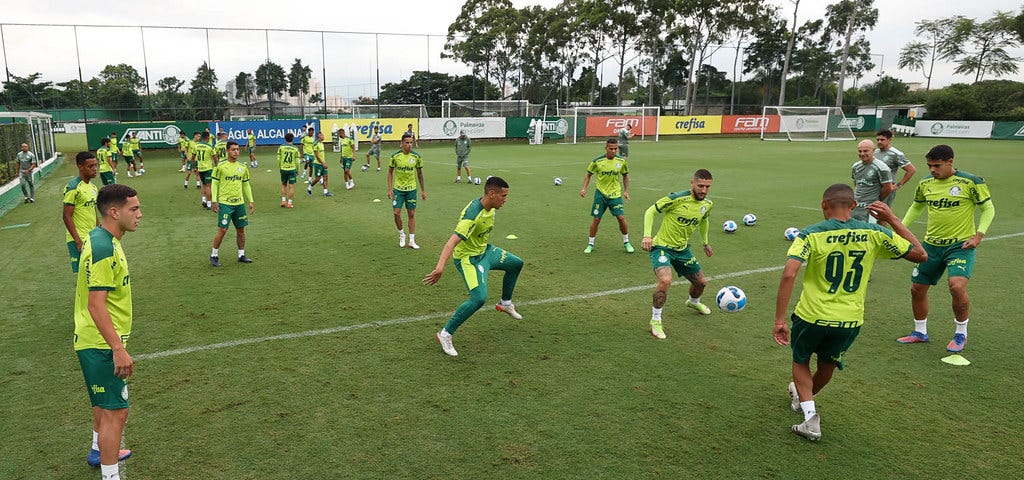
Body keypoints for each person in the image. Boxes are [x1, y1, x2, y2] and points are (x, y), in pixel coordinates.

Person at [773, 184, 926, 441]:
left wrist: (779, 320)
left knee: (800, 360)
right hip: (850, 319)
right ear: (854, 206)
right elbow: (921, 254)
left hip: (811, 315)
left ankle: (810, 417)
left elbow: (789, 273)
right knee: (827, 365)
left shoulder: (810, 234)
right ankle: (803, 399)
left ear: (824, 205)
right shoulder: (874, 232)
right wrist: (893, 219)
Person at [895, 144, 995, 353]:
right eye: (929, 165)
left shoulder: (971, 181)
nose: (932, 170)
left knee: (957, 286)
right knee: (917, 289)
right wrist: (901, 229)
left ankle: (961, 334)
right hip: (930, 245)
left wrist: (979, 235)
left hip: (960, 246)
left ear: (950, 162)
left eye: (937, 165)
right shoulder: (925, 184)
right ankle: (920, 332)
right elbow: (917, 206)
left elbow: (987, 208)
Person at [73, 183, 142, 477]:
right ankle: (110, 474)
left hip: (93, 339)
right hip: (100, 343)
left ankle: (97, 450)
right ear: (114, 212)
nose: (140, 214)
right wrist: (118, 348)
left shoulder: (103, 238)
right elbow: (96, 305)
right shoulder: (103, 247)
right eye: (134, 209)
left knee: (103, 403)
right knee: (117, 410)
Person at [423, 176, 524, 357]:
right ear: (491, 194)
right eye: (503, 196)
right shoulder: (472, 216)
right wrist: (439, 267)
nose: (505, 200)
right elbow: (451, 243)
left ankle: (505, 303)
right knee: (479, 298)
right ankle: (445, 334)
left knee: (516, 263)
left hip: (485, 252)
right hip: (468, 259)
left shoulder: (491, 207)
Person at [641, 169, 716, 339]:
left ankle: (693, 302)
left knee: (701, 283)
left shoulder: (707, 205)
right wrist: (647, 235)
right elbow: (650, 211)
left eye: (707, 187)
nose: (703, 190)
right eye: (700, 186)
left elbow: (704, 220)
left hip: (683, 250)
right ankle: (655, 320)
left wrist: (705, 243)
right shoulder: (676, 199)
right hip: (662, 248)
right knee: (665, 280)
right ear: (692, 183)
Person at [580, 138, 633, 254]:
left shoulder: (621, 162)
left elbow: (625, 176)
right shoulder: (597, 162)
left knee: (621, 218)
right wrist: (584, 188)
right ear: (606, 148)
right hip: (601, 194)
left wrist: (626, 191)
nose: (613, 151)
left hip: (615, 195)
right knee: (596, 219)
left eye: (615, 149)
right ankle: (590, 243)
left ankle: (626, 242)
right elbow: (588, 175)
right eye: (611, 149)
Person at [209, 142, 254, 266]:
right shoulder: (220, 166)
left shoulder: (242, 167)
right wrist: (214, 200)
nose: (236, 152)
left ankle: (241, 254)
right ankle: (214, 255)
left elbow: (246, 184)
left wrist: (251, 200)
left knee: (241, 230)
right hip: (225, 203)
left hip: (239, 203)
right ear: (227, 151)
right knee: (223, 229)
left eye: (238, 149)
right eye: (233, 149)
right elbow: (214, 183)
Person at [387, 133, 426, 249]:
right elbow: (390, 172)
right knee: (396, 213)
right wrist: (390, 189)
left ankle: (412, 241)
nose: (409, 145)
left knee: (411, 214)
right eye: (407, 142)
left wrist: (423, 190)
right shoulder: (395, 156)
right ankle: (401, 234)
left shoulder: (416, 157)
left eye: (411, 142)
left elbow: (420, 174)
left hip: (411, 190)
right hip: (398, 190)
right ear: (402, 143)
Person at [62, 152, 99, 273]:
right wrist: (77, 241)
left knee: (95, 274)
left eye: (95, 165)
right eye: (91, 166)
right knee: (83, 275)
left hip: (92, 237)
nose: (94, 169)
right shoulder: (73, 188)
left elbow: (93, 212)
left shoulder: (93, 188)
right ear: (80, 166)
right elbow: (66, 216)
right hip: (79, 239)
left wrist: (99, 233)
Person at [875, 129, 917, 226]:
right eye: (878, 140)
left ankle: (883, 237)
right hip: (874, 187)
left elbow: (911, 170)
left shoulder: (896, 154)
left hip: (887, 188)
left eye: (882, 140)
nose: (879, 142)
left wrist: (899, 185)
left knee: (882, 215)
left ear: (890, 140)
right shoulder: (875, 153)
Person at [851, 139, 894, 222]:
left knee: (869, 232)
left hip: (871, 208)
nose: (862, 154)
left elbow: (888, 188)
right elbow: (856, 185)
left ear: (873, 151)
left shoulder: (882, 168)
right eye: (860, 151)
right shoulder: (856, 166)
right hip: (856, 206)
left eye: (865, 151)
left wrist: (876, 201)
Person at [191, 131, 216, 209]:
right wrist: (217, 167)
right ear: (208, 137)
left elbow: (193, 158)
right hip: (208, 169)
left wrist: (194, 167)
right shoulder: (210, 147)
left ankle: (203, 200)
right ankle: (209, 204)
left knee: (203, 184)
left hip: (200, 168)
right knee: (209, 186)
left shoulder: (196, 146)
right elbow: (215, 159)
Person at [277, 133, 300, 208]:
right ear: (293, 139)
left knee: (284, 185)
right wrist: (298, 170)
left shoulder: (281, 147)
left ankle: (283, 201)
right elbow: (297, 161)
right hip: (292, 169)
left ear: (285, 139)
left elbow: (278, 159)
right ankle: (289, 203)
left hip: (283, 169)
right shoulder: (295, 149)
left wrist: (280, 167)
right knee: (291, 186)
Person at [307, 132, 333, 196]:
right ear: (318, 137)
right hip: (318, 164)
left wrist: (324, 163)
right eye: (322, 135)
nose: (323, 136)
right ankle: (309, 188)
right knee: (317, 179)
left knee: (325, 177)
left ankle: (325, 192)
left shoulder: (322, 143)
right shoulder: (315, 144)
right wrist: (323, 163)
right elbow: (317, 156)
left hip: (323, 163)